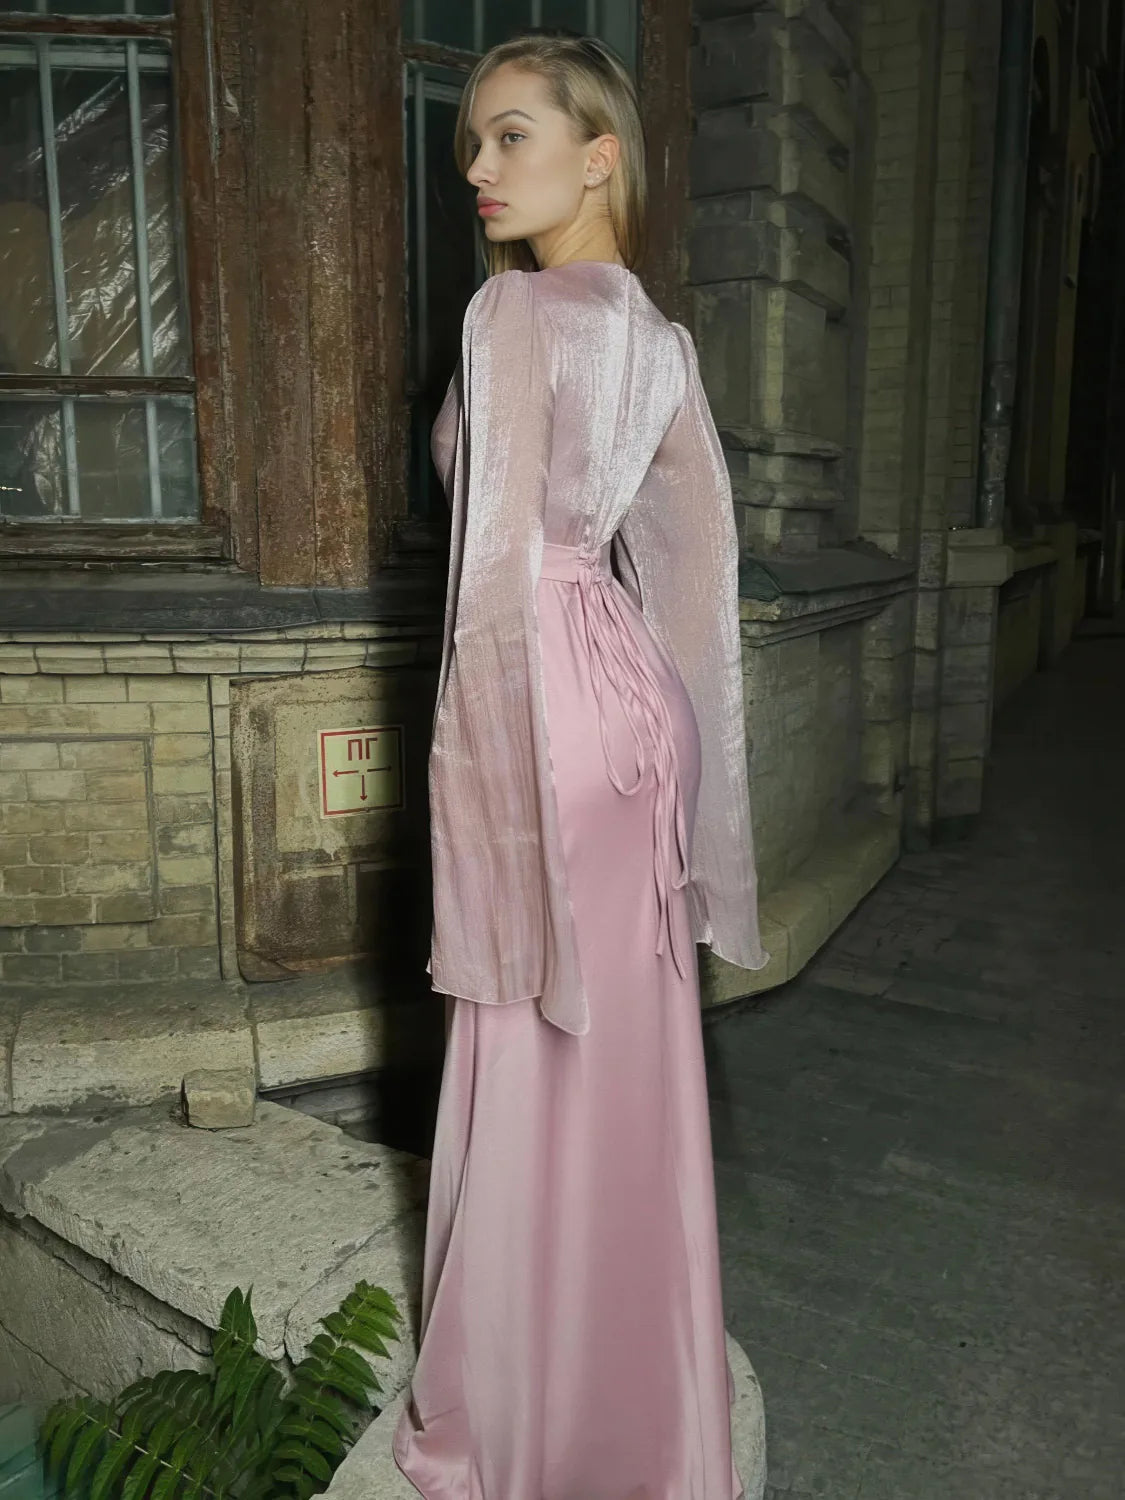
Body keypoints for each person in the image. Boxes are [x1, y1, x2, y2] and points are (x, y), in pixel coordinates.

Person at [392, 31, 768, 1500]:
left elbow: (491, 575)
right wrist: (675, 751)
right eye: (474, 144)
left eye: (509, 139)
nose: (476, 169)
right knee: (627, 1062)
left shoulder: (512, 316)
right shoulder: (659, 341)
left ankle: (519, 1419)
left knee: (520, 1034)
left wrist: (468, 795)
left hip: (537, 690)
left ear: (597, 152)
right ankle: (648, 1426)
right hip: (634, 704)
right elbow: (694, 565)